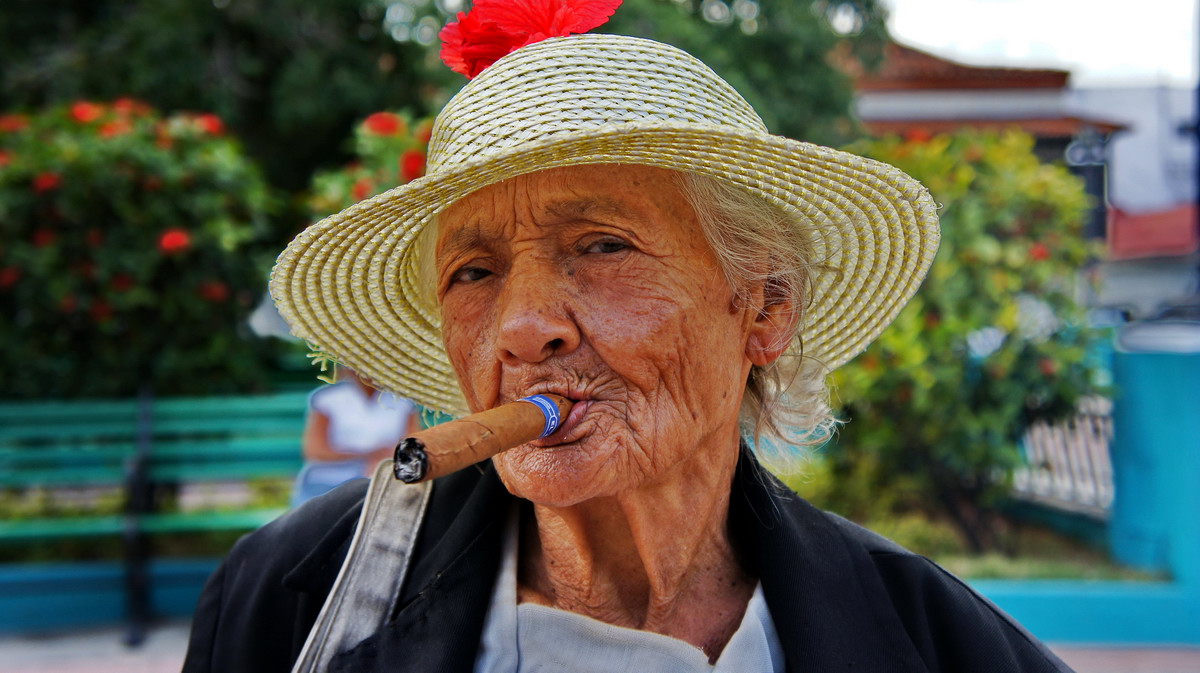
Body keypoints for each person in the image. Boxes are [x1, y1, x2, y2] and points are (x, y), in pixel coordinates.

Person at [182, 2, 1074, 672]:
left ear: (762, 307)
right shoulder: (288, 597)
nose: (526, 328)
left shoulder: (936, 642)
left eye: (602, 246)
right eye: (474, 272)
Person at [291, 366, 422, 506]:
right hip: (330, 481)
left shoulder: (403, 401)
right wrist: (368, 455)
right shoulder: (327, 398)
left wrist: (382, 461)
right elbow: (315, 451)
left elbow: (412, 446)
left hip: (383, 478)